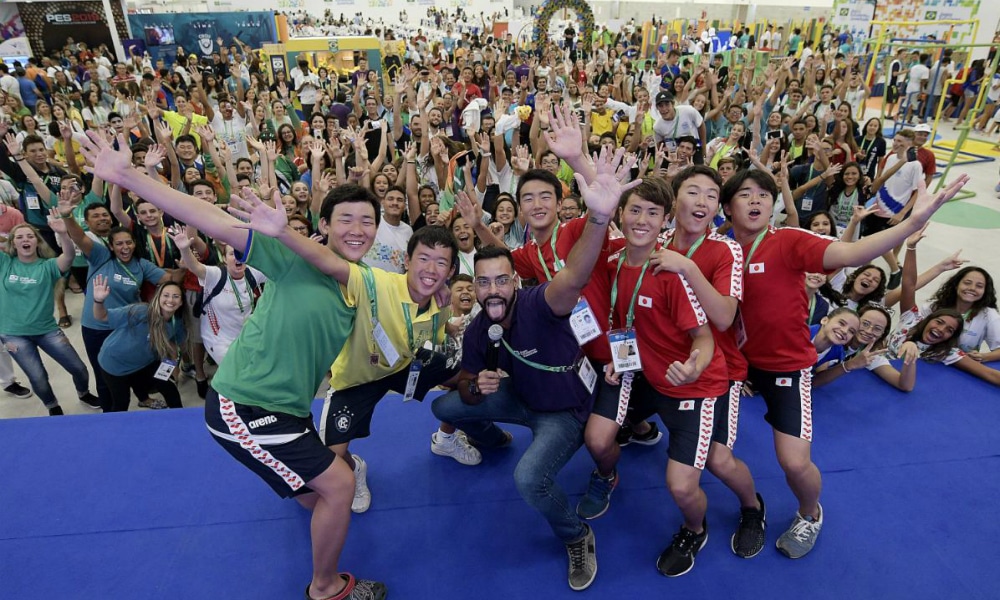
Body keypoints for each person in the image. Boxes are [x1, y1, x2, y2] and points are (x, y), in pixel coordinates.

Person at [77, 131, 386, 600]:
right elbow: (214, 220)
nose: (357, 229)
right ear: (323, 225)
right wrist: (131, 177)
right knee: (340, 486)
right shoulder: (293, 258)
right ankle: (326, 588)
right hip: (243, 407)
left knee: (316, 497)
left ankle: (319, 494)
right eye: (345, 219)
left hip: (290, 408)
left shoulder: (360, 281)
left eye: (367, 221)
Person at [720, 166, 970, 559]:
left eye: (764, 194)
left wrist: (911, 224)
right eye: (745, 194)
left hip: (786, 369)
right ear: (727, 207)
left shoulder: (788, 240)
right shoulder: (719, 249)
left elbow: (852, 253)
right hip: (736, 367)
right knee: (714, 455)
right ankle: (752, 508)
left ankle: (810, 513)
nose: (756, 200)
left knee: (794, 463)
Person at [431, 147, 639, 591]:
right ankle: (496, 439)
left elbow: (574, 276)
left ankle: (579, 531)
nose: (492, 288)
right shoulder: (511, 276)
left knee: (545, 470)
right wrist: (475, 387)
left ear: (515, 282)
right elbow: (500, 258)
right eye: (482, 282)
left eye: (546, 195)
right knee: (444, 407)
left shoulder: (546, 292)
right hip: (527, 392)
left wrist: (598, 207)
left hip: (588, 376)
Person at [228, 197, 478, 513]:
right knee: (332, 457)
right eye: (423, 259)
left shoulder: (440, 300)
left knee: (466, 376)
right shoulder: (373, 282)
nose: (431, 270)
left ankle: (446, 439)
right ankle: (355, 467)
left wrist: (450, 327)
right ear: (406, 260)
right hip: (356, 379)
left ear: (451, 270)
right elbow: (330, 263)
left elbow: (437, 332)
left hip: (404, 365)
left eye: (441, 263)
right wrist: (283, 232)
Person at [0, 215, 98, 415]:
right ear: (13, 243)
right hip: (13, 334)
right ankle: (52, 406)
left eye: (30, 236)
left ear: (37, 241)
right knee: (38, 378)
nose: (25, 240)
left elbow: (68, 256)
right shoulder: (5, 263)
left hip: (47, 330)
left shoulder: (48, 266)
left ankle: (83, 393)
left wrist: (63, 233)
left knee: (79, 368)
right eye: (19, 237)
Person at [91, 276, 187, 412]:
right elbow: (102, 316)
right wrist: (98, 301)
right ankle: (120, 422)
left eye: (176, 296)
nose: (170, 300)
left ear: (181, 302)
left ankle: (178, 416)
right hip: (115, 364)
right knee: (122, 402)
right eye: (166, 295)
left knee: (168, 387)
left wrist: (171, 369)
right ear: (157, 298)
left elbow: (176, 346)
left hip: (145, 362)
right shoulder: (140, 311)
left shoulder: (177, 323)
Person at [172, 230, 264, 365]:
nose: (237, 257)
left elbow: (280, 269)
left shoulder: (252, 273)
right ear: (225, 259)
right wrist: (185, 249)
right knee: (234, 367)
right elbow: (195, 267)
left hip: (245, 334)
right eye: (232, 254)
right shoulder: (216, 275)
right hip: (218, 339)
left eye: (241, 253)